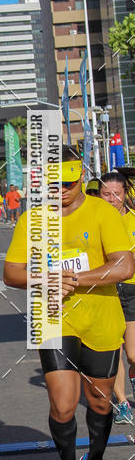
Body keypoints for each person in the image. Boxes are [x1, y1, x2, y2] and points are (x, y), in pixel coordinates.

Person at [4, 146, 134, 460]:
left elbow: (124, 265)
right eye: (52, 183)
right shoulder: (34, 219)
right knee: (62, 406)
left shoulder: (102, 213)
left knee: (98, 402)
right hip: (54, 318)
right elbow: (11, 273)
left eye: (68, 182)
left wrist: (74, 279)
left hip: (101, 320)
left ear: (80, 178)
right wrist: (45, 278)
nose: (60, 189)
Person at [99, 168, 135, 423]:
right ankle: (122, 402)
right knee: (115, 349)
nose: (111, 199)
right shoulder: (95, 221)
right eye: (105, 194)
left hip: (132, 290)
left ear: (125, 194)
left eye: (116, 194)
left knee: (133, 354)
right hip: (106, 292)